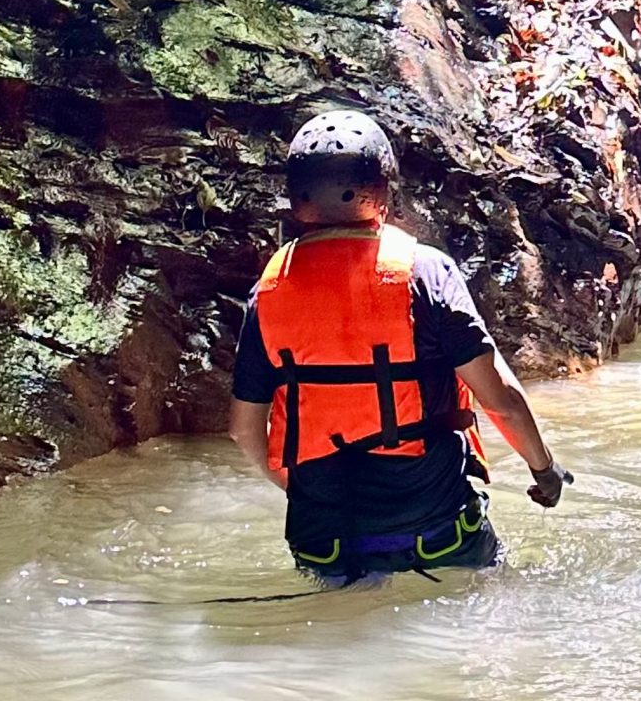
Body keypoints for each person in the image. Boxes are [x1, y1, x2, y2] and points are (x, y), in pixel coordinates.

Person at [229, 108, 571, 582]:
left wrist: (297, 488)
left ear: (297, 200)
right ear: (383, 194)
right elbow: (502, 401)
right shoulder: (427, 273)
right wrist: (544, 471)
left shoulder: (267, 294)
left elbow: (245, 431)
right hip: (437, 528)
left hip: (324, 539)